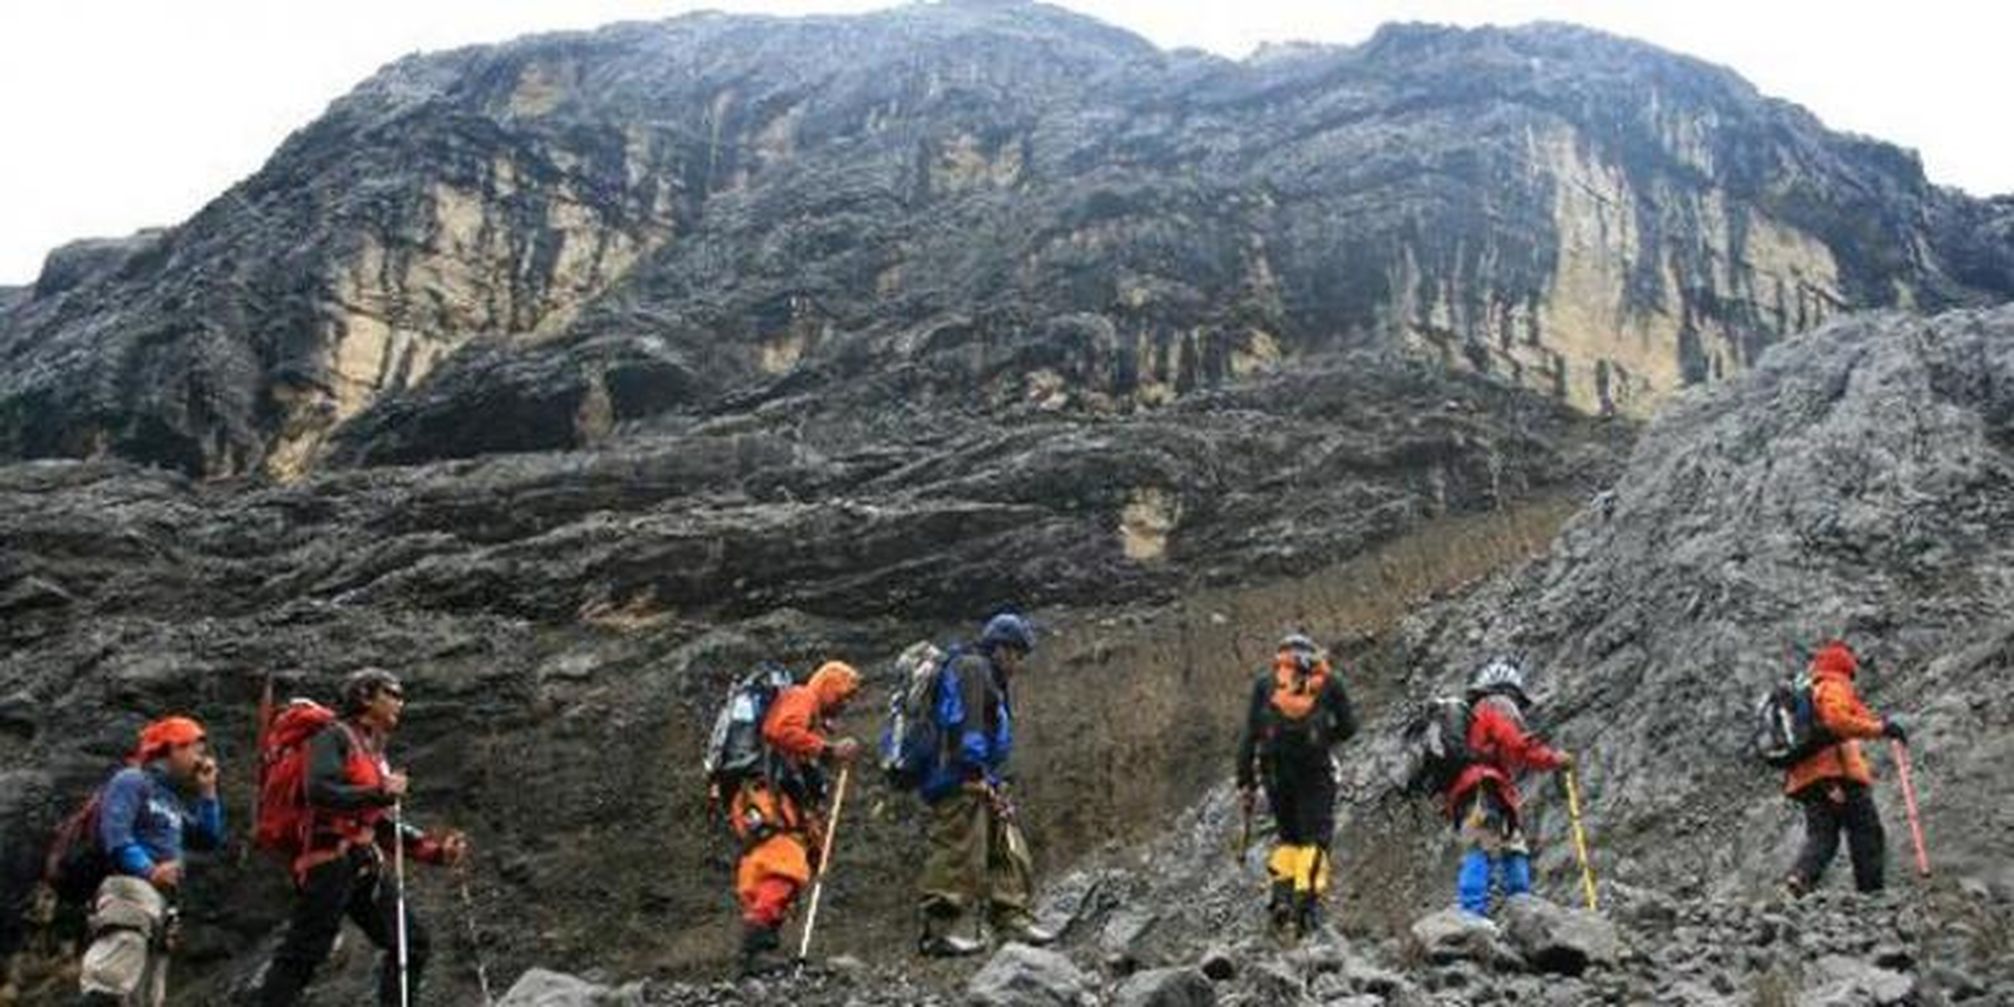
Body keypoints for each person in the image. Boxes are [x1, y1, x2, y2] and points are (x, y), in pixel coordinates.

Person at [254, 669, 468, 1006]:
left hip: (361, 861)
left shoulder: (373, 753)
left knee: (411, 942)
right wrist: (378, 792)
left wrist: (435, 852)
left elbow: (378, 821)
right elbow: (319, 790)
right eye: (392, 693)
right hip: (329, 859)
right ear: (366, 696)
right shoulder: (332, 736)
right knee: (305, 952)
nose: (401, 701)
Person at [916, 612, 1050, 956]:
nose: (1017, 663)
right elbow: (968, 724)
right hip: (958, 778)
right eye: (1016, 654)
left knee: (1007, 844)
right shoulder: (973, 669)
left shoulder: (990, 677)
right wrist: (974, 773)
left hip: (979, 777)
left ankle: (1011, 919)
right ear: (1000, 648)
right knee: (958, 850)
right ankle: (937, 933)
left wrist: (994, 780)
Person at [78, 715, 224, 1006]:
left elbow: (208, 838)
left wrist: (208, 792)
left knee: (143, 998)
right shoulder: (131, 781)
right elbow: (116, 836)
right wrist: (149, 869)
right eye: (195, 748)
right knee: (109, 983)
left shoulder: (170, 800)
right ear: (172, 749)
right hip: (129, 890)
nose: (201, 757)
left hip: (161, 904)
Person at [730, 661, 863, 975]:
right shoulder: (802, 697)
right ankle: (753, 952)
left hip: (774, 797)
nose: (845, 704)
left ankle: (761, 950)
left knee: (777, 864)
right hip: (765, 794)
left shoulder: (811, 715)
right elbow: (780, 730)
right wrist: (828, 751)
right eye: (843, 695)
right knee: (781, 863)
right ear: (830, 685)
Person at [1235, 633, 1357, 941]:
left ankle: (1281, 899)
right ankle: (1307, 906)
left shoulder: (1266, 683)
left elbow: (1250, 734)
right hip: (1315, 769)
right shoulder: (1329, 682)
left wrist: (1245, 780)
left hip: (1274, 771)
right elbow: (1349, 727)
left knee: (1288, 837)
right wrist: (1325, 738)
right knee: (1315, 838)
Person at [1445, 658, 1570, 918]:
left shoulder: (1474, 712)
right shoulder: (1496, 704)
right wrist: (1553, 759)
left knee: (1509, 845)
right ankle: (1476, 916)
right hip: (1486, 787)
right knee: (1483, 845)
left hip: (1479, 790)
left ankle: (1519, 909)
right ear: (1509, 688)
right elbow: (1516, 743)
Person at [1783, 641, 1904, 897]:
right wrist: (1882, 729)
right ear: (1845, 667)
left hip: (1808, 778)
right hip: (1838, 773)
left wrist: (1881, 725)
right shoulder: (1835, 684)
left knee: (1823, 836)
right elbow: (1838, 720)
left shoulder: (1812, 690)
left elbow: (1857, 715)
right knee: (1867, 832)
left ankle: (1800, 877)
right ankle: (1871, 896)